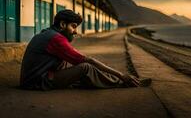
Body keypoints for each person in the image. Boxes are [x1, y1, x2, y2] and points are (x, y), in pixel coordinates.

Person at [20, 9, 150, 90]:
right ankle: (123, 82)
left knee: (69, 62)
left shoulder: (47, 33)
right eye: (74, 26)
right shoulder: (56, 39)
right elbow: (87, 60)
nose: (75, 32)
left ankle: (104, 80)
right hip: (36, 82)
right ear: (62, 24)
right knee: (85, 67)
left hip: (32, 79)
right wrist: (121, 75)